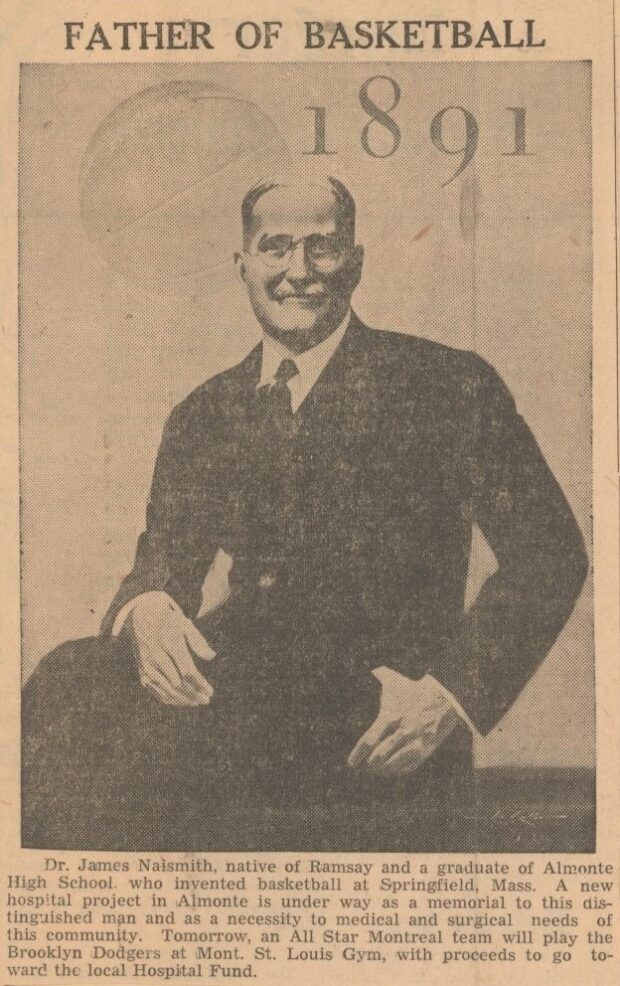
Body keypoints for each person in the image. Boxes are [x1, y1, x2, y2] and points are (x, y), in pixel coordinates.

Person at [22, 174, 588, 851]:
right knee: (67, 682)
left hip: (378, 729)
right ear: (243, 265)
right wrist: (147, 607)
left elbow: (550, 556)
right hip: (233, 717)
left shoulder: (448, 386)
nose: (299, 272)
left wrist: (448, 698)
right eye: (276, 247)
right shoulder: (206, 411)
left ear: (355, 261)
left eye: (322, 248)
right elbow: (163, 565)